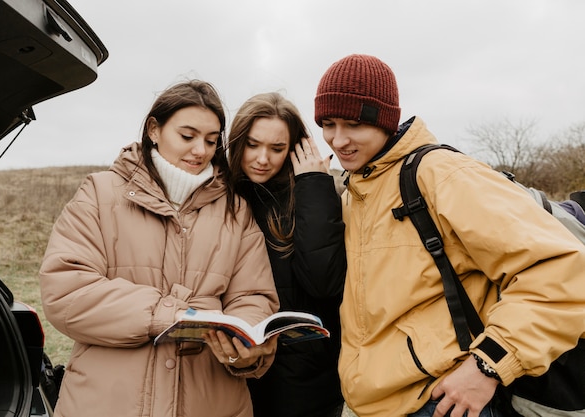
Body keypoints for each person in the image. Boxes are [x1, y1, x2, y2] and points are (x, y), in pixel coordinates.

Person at [313, 54, 585, 417]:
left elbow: (563, 273)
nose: (338, 139)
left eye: (354, 124)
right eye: (328, 124)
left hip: (442, 401)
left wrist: (488, 366)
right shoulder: (356, 192)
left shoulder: (440, 174)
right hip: (370, 405)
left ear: (386, 121)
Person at [39, 80, 280, 417]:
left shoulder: (235, 211)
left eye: (212, 141)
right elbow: (67, 290)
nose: (201, 150)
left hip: (211, 402)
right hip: (106, 404)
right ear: (154, 128)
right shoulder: (100, 193)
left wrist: (245, 343)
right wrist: (168, 315)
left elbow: (253, 297)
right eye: (187, 136)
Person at [227, 92, 346, 417]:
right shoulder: (220, 198)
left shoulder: (311, 196)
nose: (262, 158)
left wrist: (314, 186)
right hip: (229, 371)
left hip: (303, 385)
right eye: (253, 145)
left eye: (276, 148)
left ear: (294, 149)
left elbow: (323, 282)